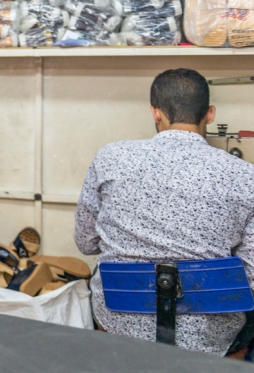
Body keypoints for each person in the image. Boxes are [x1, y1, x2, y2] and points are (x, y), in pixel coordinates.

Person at [74, 68, 254, 356]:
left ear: (155, 113)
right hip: (211, 341)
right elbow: (251, 275)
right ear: (209, 114)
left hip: (119, 324)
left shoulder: (110, 158)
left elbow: (85, 243)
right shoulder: (247, 177)